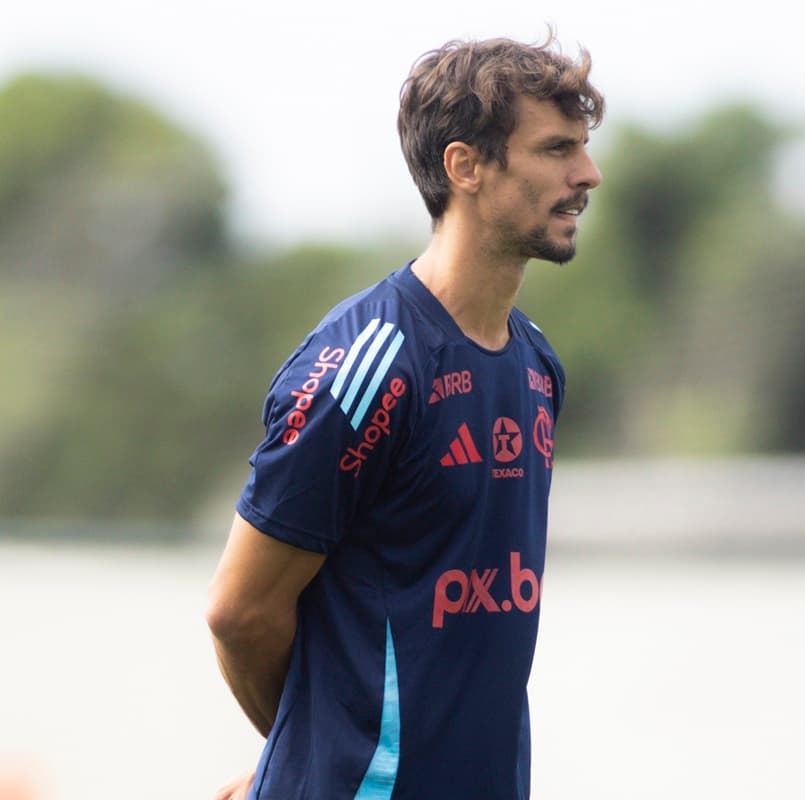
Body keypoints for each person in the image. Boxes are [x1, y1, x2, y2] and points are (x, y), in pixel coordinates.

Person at [205, 33, 604, 800]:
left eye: (582, 149)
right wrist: (310, 752)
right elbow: (241, 612)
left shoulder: (537, 365)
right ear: (466, 166)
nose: (587, 174)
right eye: (557, 150)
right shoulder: (368, 367)